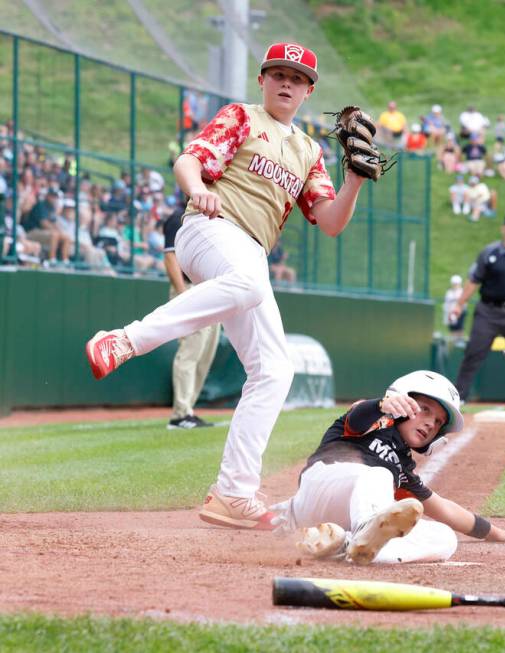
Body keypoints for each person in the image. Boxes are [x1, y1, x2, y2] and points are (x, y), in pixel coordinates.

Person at [84, 42, 371, 530]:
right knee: (248, 282)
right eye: (278, 73)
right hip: (207, 230)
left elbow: (329, 221)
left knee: (275, 370)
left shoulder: (308, 151)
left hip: (248, 255)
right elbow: (189, 160)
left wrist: (355, 183)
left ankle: (233, 493)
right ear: (262, 80)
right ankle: (125, 340)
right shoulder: (242, 116)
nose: (286, 83)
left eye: (297, 78)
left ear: (309, 91)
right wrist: (197, 189)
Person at [268, 371, 505, 564]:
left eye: (438, 421)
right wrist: (381, 405)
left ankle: (345, 547)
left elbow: (444, 508)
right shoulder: (373, 418)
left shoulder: (403, 469)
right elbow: (358, 414)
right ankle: (361, 536)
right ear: (402, 402)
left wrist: (496, 533)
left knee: (444, 539)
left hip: (341, 523)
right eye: (424, 410)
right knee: (379, 475)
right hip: (319, 490)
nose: (430, 423)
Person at [450, 212, 505, 410]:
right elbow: (474, 280)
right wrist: (459, 304)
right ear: (504, 228)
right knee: (473, 353)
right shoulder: (490, 253)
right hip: (488, 311)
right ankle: (459, 396)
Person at [161, 204, 221, 430]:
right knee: (191, 351)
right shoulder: (178, 218)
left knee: (206, 353)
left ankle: (188, 410)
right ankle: (180, 414)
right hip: (188, 288)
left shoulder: (209, 220)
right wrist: (182, 294)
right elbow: (170, 258)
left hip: (209, 290)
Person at [443, 274, 466, 345]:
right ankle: (453, 344)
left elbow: (463, 304)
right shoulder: (449, 292)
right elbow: (447, 304)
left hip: (460, 313)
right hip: (451, 313)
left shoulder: (461, 292)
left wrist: (458, 312)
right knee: (452, 330)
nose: (455, 285)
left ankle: (459, 344)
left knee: (459, 329)